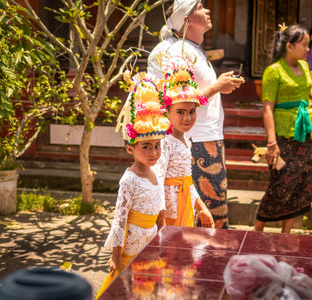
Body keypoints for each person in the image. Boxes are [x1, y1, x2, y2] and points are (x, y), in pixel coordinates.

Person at [166, 0, 245, 229]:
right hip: (197, 140)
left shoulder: (193, 50)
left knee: (214, 210)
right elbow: (178, 101)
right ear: (187, 19)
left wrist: (220, 84)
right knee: (207, 215)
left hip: (207, 137)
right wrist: (217, 86)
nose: (208, 10)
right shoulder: (179, 52)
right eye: (200, 7)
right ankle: (204, 262)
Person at [95, 74, 171, 299]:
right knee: (127, 288)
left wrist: (162, 236)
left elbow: (159, 210)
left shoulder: (156, 171)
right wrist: (116, 256)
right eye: (146, 147)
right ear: (130, 149)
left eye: (157, 146)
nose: (154, 152)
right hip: (131, 244)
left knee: (146, 288)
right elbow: (120, 220)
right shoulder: (128, 180)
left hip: (151, 242)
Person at [254, 24, 312, 234]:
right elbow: (267, 108)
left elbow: (307, 85)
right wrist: (272, 143)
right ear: (290, 46)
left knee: (301, 184)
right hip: (283, 136)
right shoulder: (273, 71)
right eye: (304, 45)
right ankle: (257, 230)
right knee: (281, 184)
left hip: (306, 132)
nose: (308, 49)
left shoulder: (303, 67)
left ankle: (287, 233)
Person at [156, 55, 214, 228]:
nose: (187, 118)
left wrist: (201, 207)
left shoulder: (185, 139)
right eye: (180, 112)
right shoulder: (164, 142)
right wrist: (159, 215)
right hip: (167, 209)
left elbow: (186, 182)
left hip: (185, 203)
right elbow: (158, 180)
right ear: (167, 112)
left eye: (191, 111)